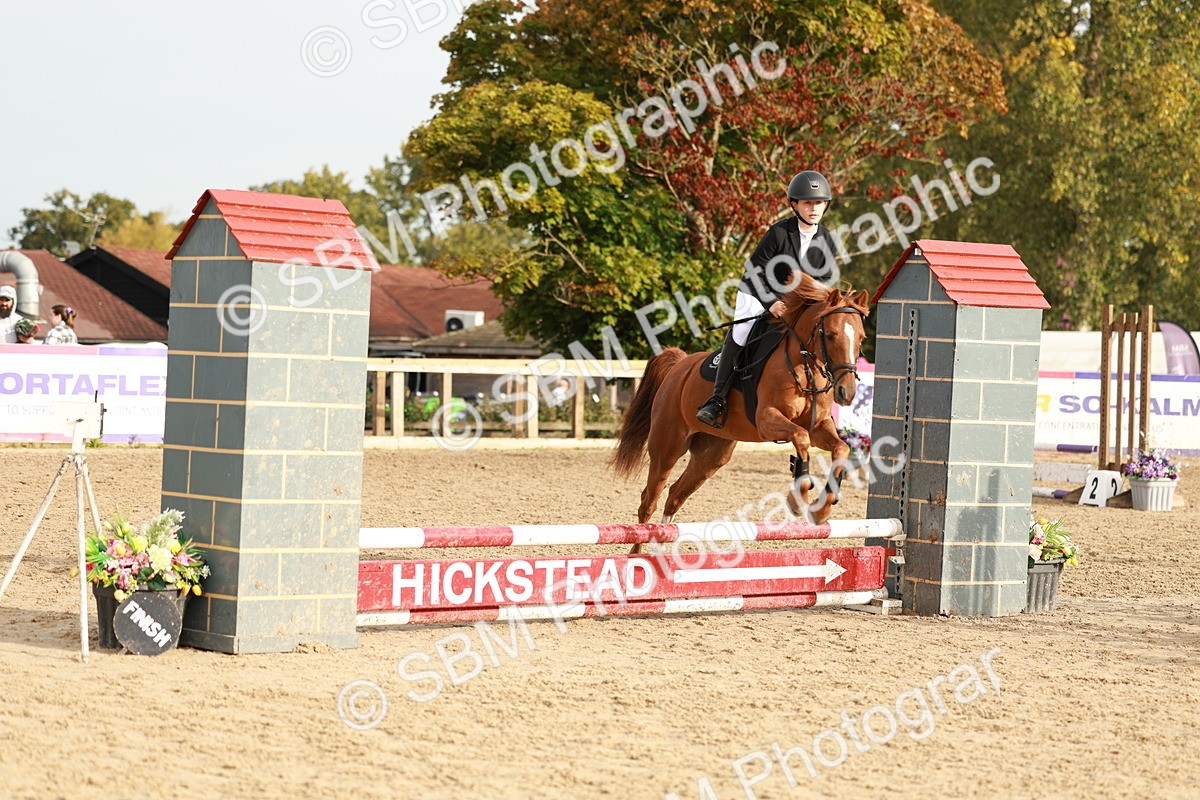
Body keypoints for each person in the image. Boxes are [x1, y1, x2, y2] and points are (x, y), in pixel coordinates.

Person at [696, 170, 841, 428]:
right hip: (758, 291)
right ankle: (716, 400)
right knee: (742, 332)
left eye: (819, 203)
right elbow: (753, 271)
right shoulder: (778, 233)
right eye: (808, 203)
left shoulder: (828, 239)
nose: (814, 208)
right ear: (794, 205)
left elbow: (824, 281)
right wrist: (771, 302)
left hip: (796, 304)